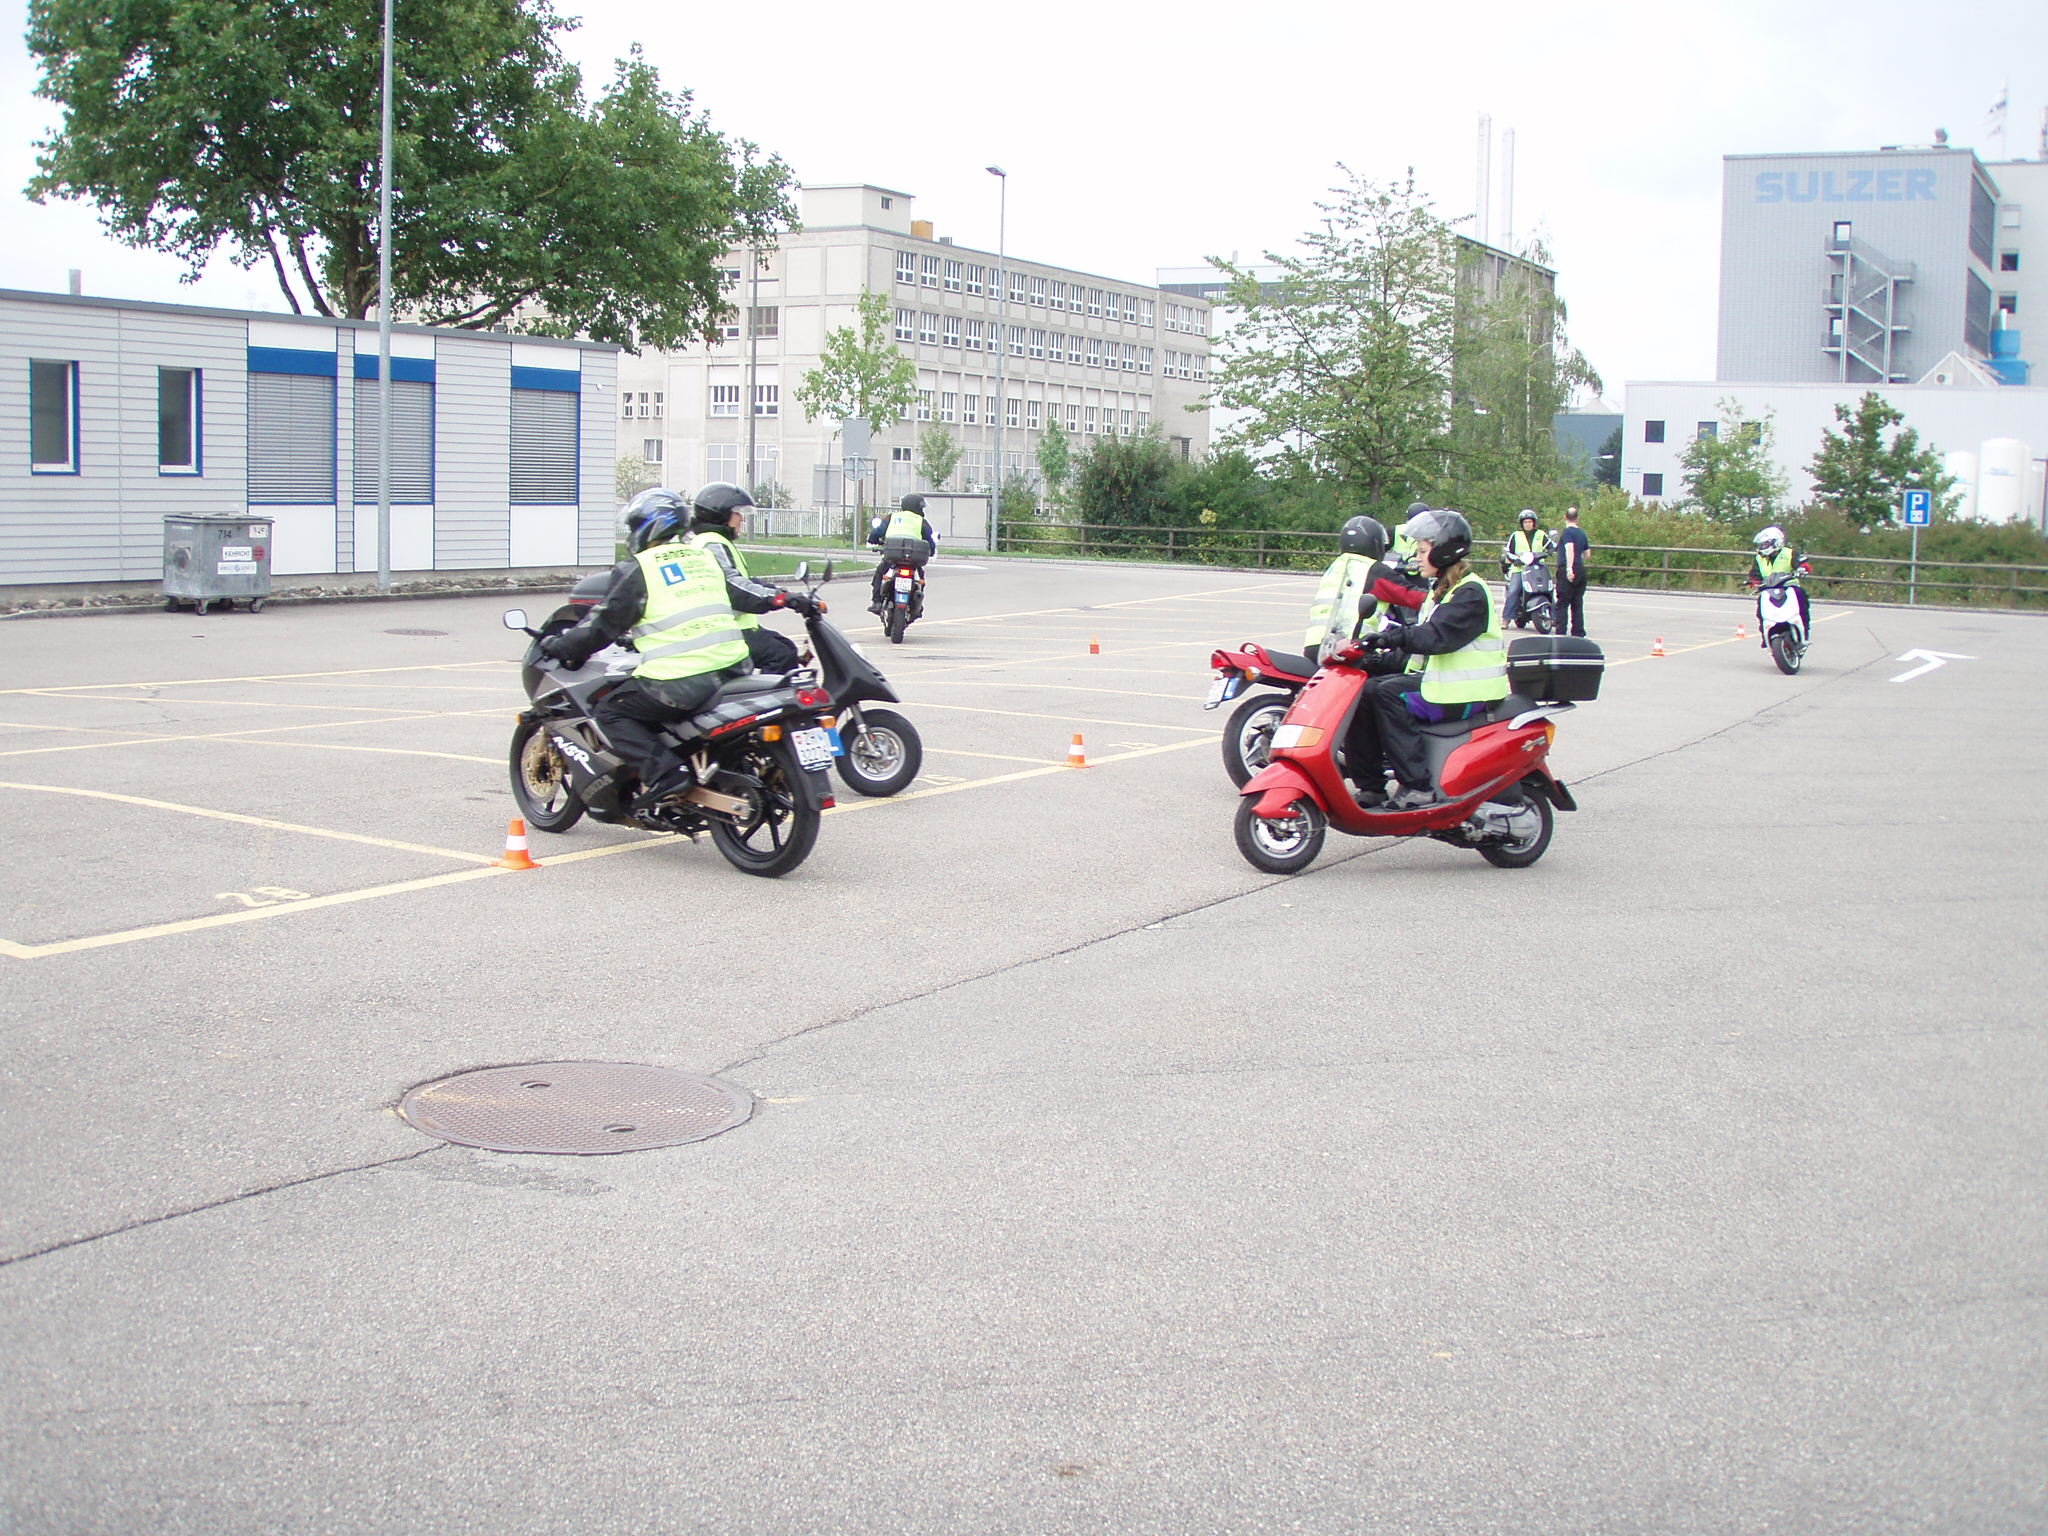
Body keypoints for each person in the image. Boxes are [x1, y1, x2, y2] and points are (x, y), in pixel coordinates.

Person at [538, 487, 818, 808]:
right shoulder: (703, 558)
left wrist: (561, 647)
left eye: (634, 526)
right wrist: (783, 597)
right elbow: (744, 593)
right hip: (734, 669)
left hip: (681, 683)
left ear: (649, 526)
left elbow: (602, 627)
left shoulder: (638, 568)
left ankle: (665, 773)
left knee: (611, 712)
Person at [1360, 507, 1510, 810]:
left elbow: (1435, 638)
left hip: (1468, 694)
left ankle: (1417, 786)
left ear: (1443, 553)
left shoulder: (1470, 593)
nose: (1417, 556)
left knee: (1388, 695)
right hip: (1443, 687)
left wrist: (1391, 636)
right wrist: (1370, 658)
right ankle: (1371, 785)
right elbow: (1418, 652)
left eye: (1423, 550)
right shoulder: (1441, 591)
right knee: (1364, 688)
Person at [681, 480, 806, 674]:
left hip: (731, 627)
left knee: (786, 648)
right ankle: (763, 704)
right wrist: (777, 599)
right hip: (724, 631)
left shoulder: (712, 541)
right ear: (721, 514)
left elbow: (743, 580)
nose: (742, 519)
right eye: (737, 513)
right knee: (779, 655)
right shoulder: (712, 543)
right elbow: (732, 586)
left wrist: (778, 591)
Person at [1302, 516, 1387, 668]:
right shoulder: (1374, 570)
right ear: (1374, 544)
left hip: (1313, 646)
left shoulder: (1336, 567)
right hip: (1347, 646)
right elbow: (1415, 597)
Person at [868, 493, 938, 613]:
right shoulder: (922, 521)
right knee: (921, 576)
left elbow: (877, 531)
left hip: (893, 554)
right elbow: (929, 539)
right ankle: (918, 604)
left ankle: (876, 602)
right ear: (917, 507)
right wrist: (931, 550)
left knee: (880, 572)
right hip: (914, 557)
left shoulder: (891, 517)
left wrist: (872, 540)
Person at [1748, 524, 1811, 638]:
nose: (1763, 547)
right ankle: (1766, 635)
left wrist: (1802, 568)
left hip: (1789, 585)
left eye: (1766, 544)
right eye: (1762, 544)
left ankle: (1804, 631)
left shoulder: (1789, 553)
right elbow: (1754, 574)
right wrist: (1754, 583)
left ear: (1776, 542)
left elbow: (1802, 563)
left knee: (1802, 599)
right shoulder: (1759, 558)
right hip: (1768, 588)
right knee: (1760, 609)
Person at [1500, 509, 1550, 626]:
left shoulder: (1541, 534)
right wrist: (1515, 559)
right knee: (1514, 590)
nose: (1528, 524)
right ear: (1522, 523)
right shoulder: (1516, 535)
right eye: (1525, 522)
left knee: (1548, 587)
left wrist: (1551, 550)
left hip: (1538, 567)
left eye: (1530, 522)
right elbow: (1509, 551)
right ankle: (1506, 618)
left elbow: (1551, 545)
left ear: (1534, 523)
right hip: (1520, 569)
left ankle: (1553, 616)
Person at [1554, 505, 1590, 637]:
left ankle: (1561, 632)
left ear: (1565, 517)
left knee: (1562, 602)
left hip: (1567, 569)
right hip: (1580, 569)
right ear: (1577, 518)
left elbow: (1570, 548)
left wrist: (1569, 568)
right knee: (1577, 602)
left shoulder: (1567, 532)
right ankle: (1578, 632)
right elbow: (1587, 554)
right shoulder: (1582, 533)